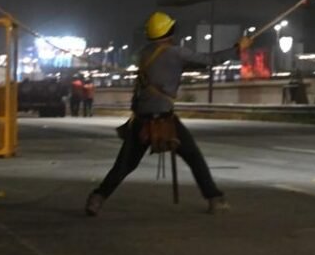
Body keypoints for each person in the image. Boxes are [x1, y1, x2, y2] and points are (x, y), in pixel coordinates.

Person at [84, 12, 246, 216]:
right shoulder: (175, 53)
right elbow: (209, 60)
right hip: (165, 120)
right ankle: (214, 198)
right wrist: (237, 49)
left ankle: (97, 198)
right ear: (169, 31)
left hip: (141, 121)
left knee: (124, 165)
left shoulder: (144, 54)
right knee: (193, 156)